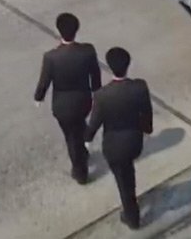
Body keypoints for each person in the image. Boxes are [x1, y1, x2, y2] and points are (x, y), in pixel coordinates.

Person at [87, 47, 154, 230]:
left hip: (114, 147)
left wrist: (86, 139)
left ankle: (132, 217)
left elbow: (94, 123)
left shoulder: (102, 95)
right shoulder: (140, 87)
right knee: (128, 172)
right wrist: (147, 129)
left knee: (123, 182)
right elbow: (147, 112)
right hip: (134, 142)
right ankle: (131, 197)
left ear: (109, 66)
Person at [33, 12, 101, 184]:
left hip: (62, 106)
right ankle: (83, 150)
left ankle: (80, 172)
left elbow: (44, 82)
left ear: (59, 30)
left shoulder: (51, 57)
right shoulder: (88, 51)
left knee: (71, 138)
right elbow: (95, 76)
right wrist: (97, 93)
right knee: (79, 127)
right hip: (83, 102)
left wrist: (38, 98)